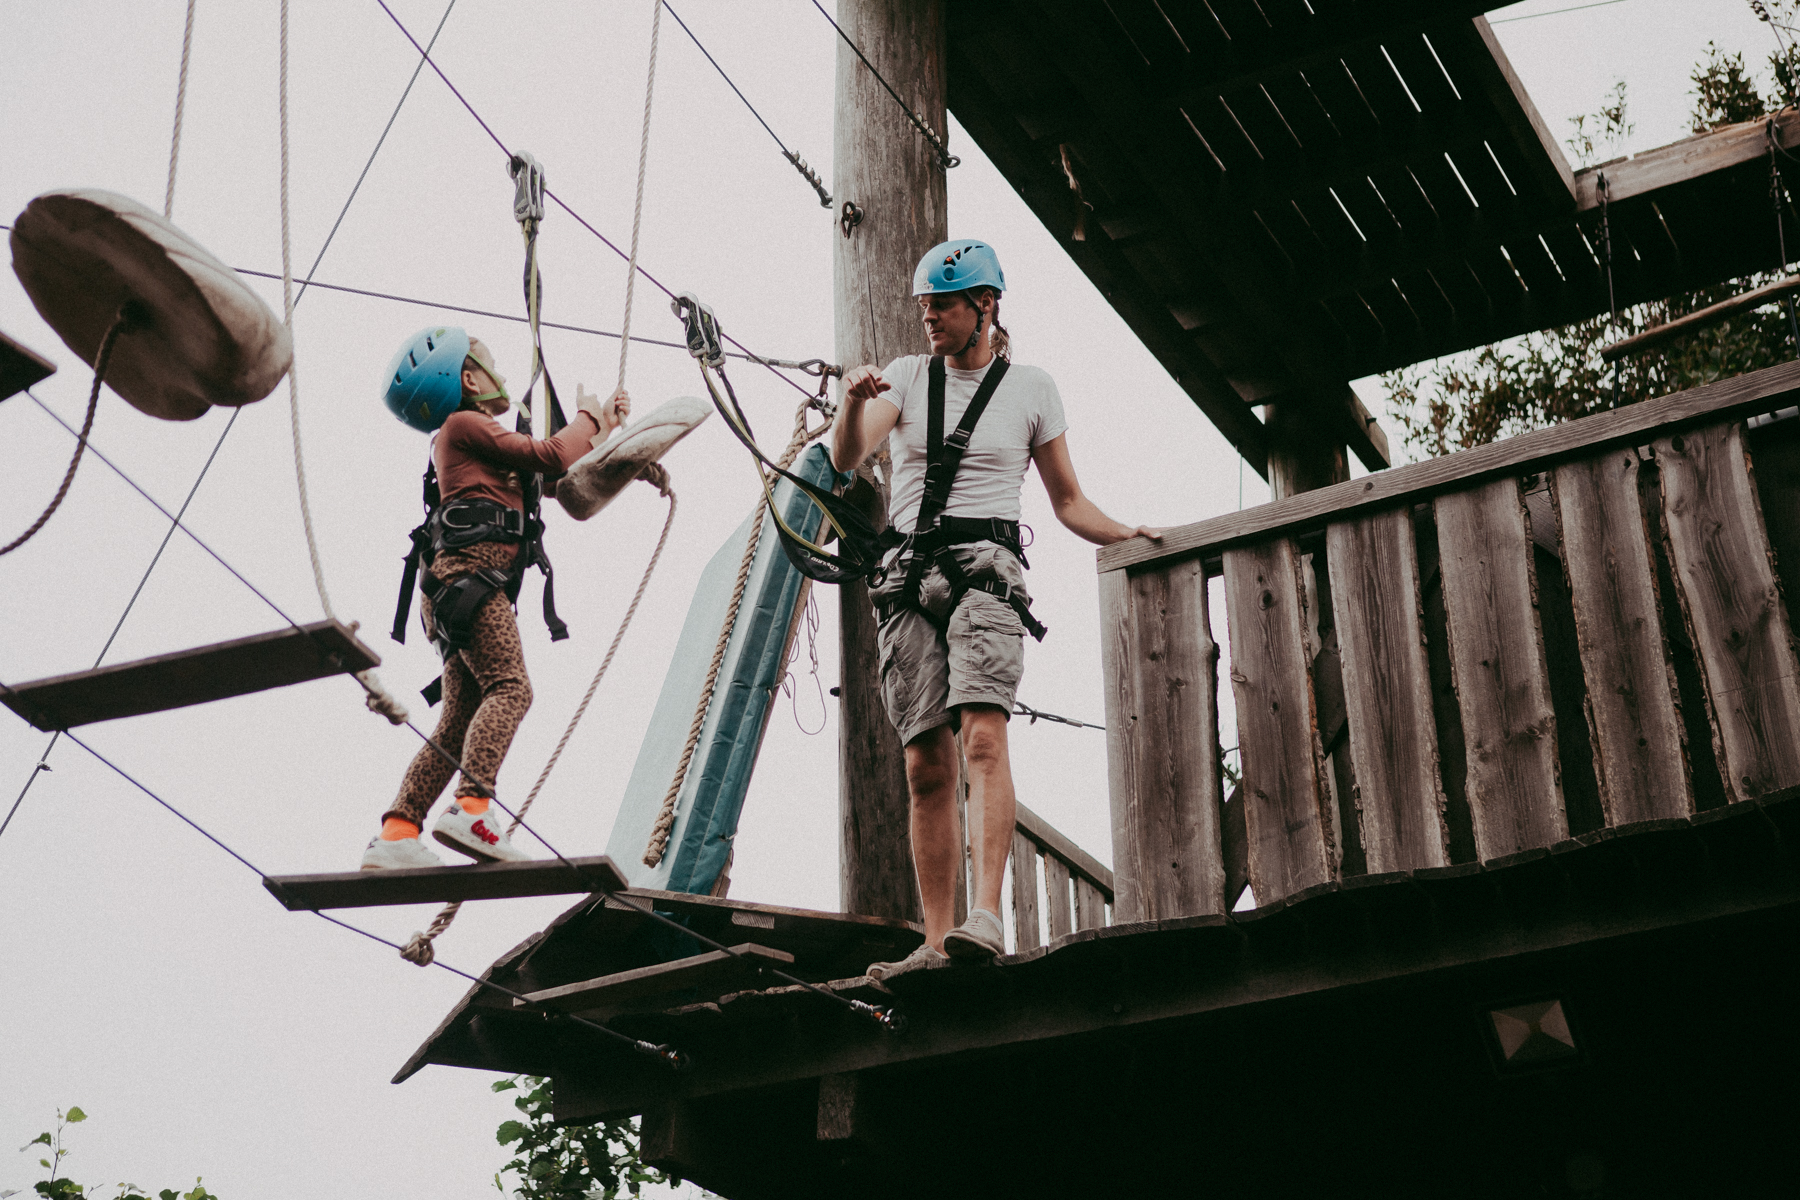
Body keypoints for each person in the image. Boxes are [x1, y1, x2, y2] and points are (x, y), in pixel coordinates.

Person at [830, 240, 1161, 978]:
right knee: (924, 764)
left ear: (985, 306)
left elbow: (1068, 501)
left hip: (986, 573)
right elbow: (849, 458)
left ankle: (984, 915)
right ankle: (938, 940)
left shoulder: (1033, 388)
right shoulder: (909, 378)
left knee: (982, 737)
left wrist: (1127, 530)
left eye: (942, 307)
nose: (929, 319)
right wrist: (851, 407)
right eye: (924, 307)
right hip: (908, 576)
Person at [362, 328, 627, 870]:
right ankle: (473, 807)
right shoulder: (463, 425)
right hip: (471, 581)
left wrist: (606, 432)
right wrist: (587, 417)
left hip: (456, 589)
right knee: (511, 689)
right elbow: (553, 454)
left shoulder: (476, 443)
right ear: (468, 379)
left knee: (459, 720)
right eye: (487, 363)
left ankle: (397, 832)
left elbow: (556, 477)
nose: (499, 373)